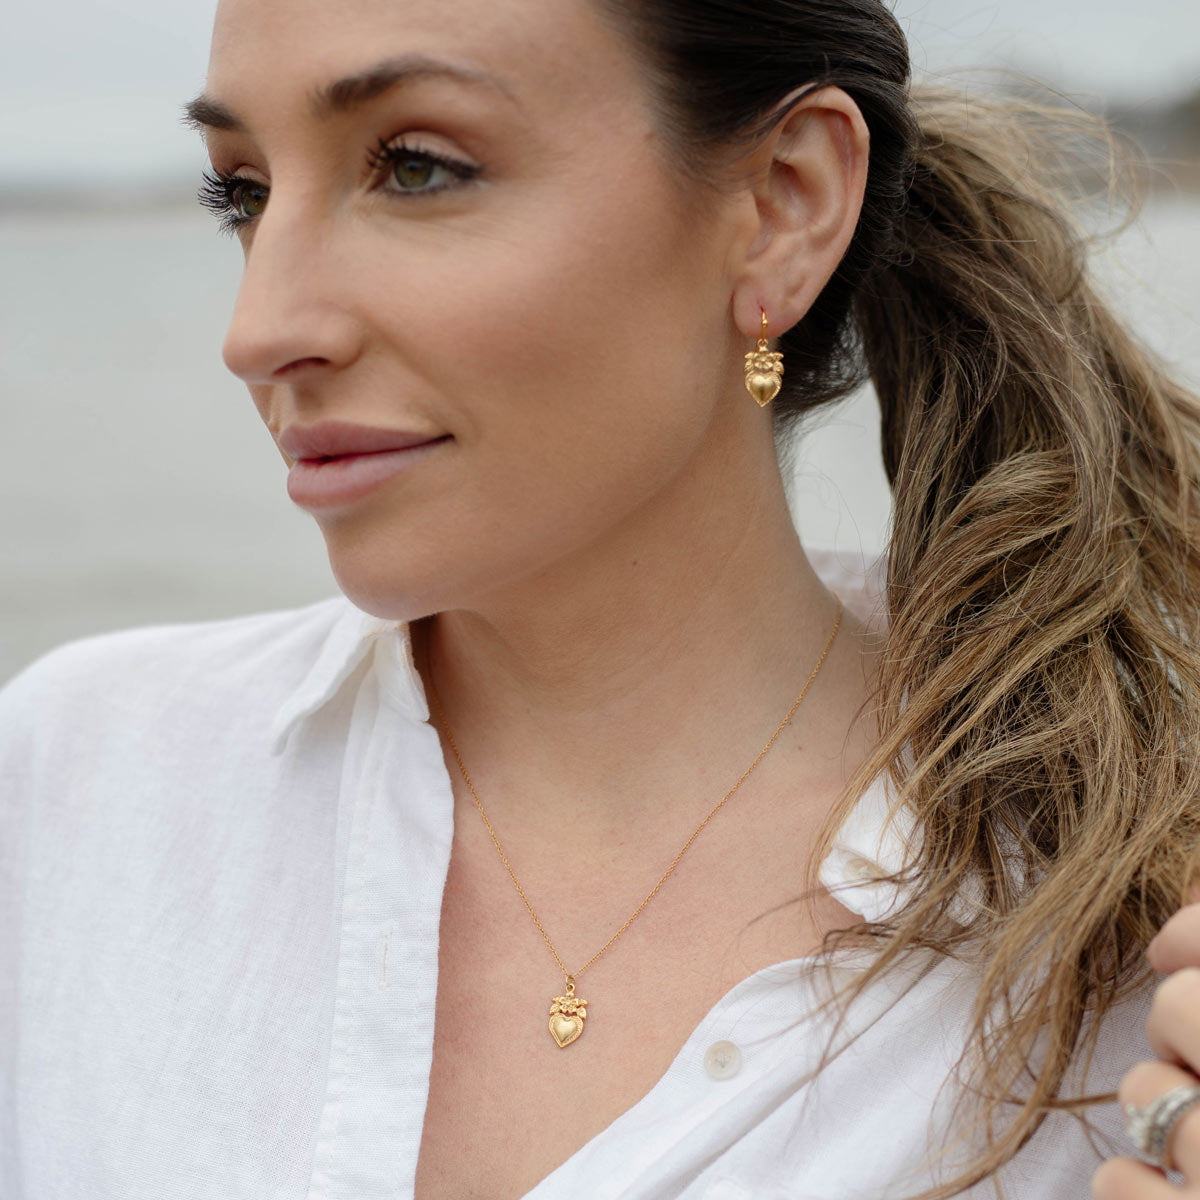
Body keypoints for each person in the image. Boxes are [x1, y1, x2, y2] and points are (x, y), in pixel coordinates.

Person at [1, 0, 1198, 1197]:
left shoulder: (1134, 914)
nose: (260, 329)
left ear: (785, 202)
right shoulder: (79, 782)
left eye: (415, 168)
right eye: (243, 193)